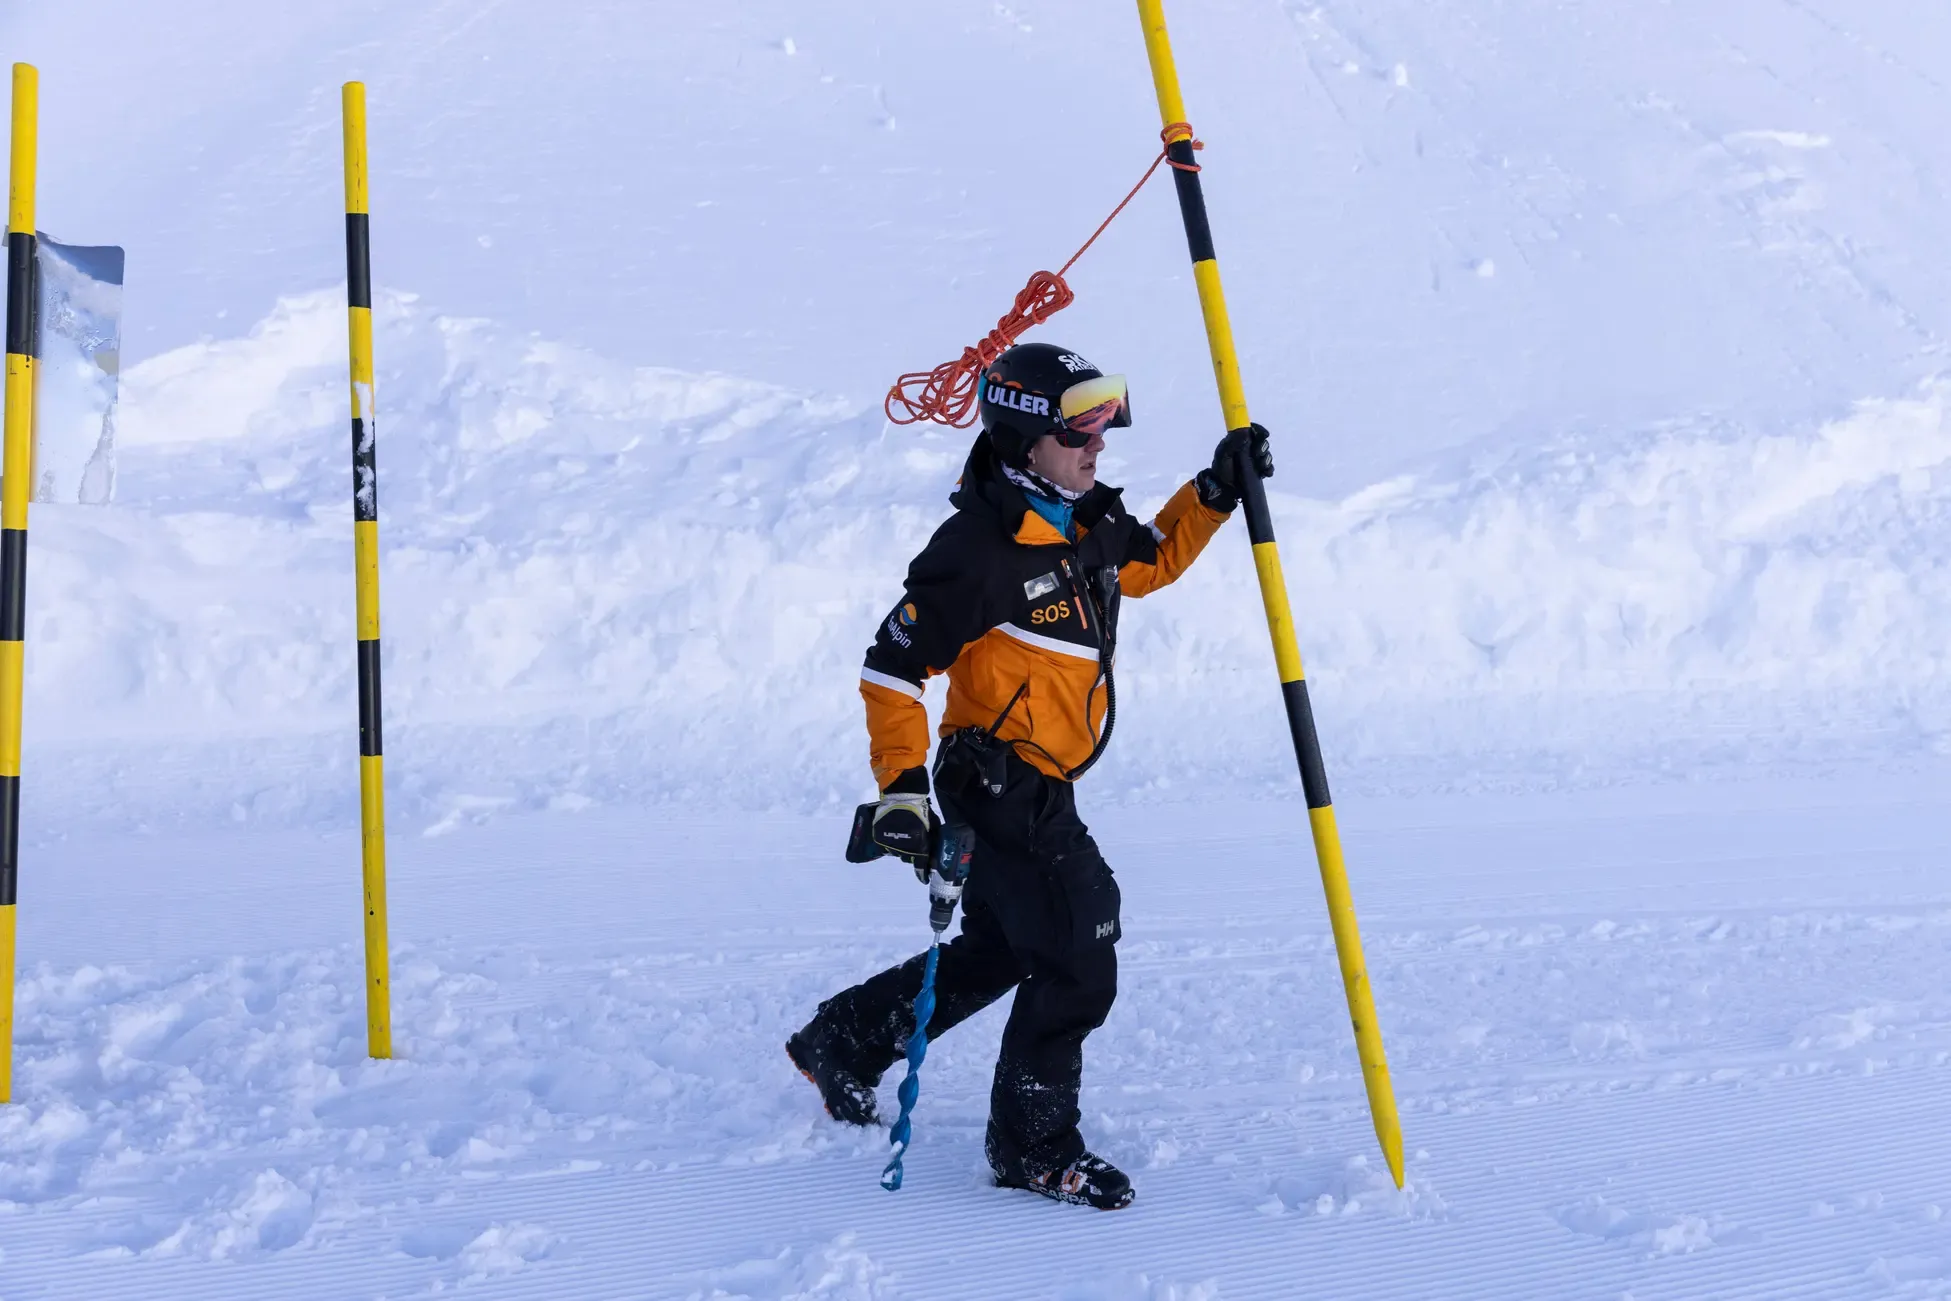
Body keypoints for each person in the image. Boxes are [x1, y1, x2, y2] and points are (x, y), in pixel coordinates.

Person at [787, 342, 1273, 1209]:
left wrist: (1214, 492)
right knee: (1081, 946)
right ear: (1022, 439)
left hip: (1041, 775)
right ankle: (1031, 1146)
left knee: (1008, 945)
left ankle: (846, 1037)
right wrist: (902, 787)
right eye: (1078, 428)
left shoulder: (1079, 516)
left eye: (1103, 423)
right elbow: (891, 668)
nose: (1099, 445)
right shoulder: (977, 550)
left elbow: (1150, 561)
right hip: (999, 782)